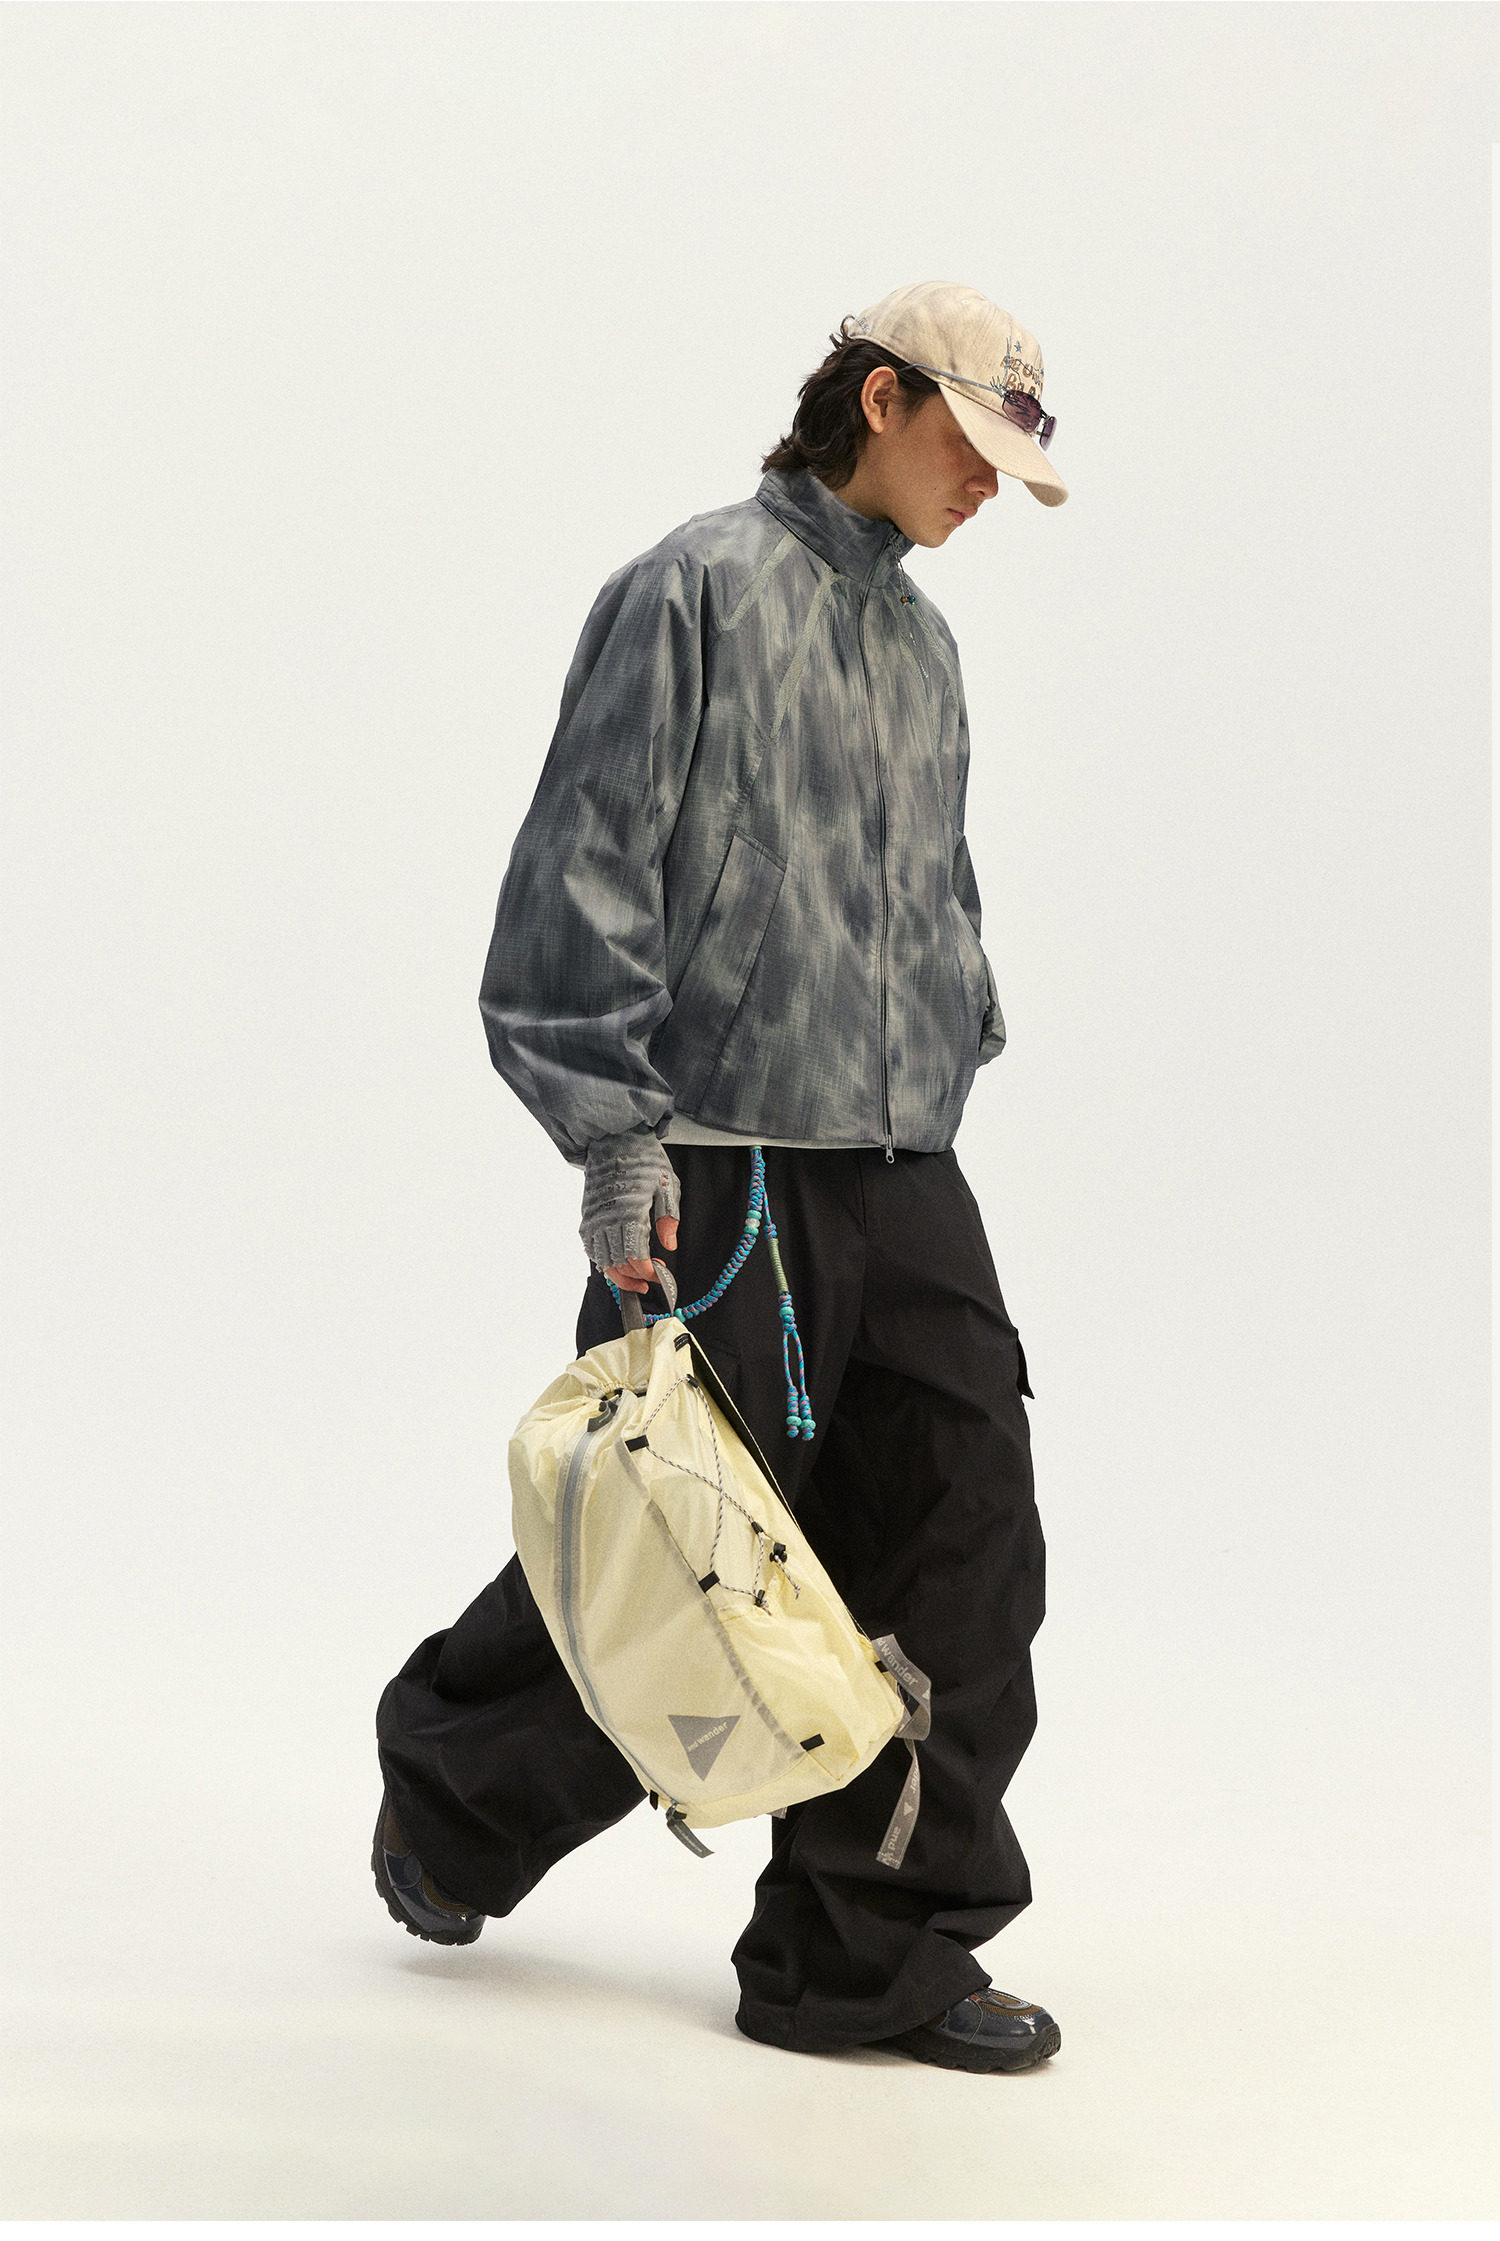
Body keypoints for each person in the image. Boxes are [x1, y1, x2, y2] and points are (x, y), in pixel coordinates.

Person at [373, 281, 1068, 2075]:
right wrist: (616, 1136)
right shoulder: (693, 589)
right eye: (971, 446)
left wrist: (959, 1017)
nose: (984, 490)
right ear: (880, 398)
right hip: (723, 1158)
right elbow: (581, 870)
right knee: (679, 1551)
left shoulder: (924, 648)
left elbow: (935, 887)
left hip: (902, 1163)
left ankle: (863, 1959)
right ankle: (453, 1796)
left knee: (967, 1540)